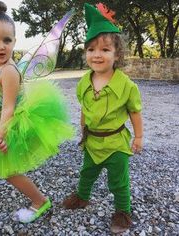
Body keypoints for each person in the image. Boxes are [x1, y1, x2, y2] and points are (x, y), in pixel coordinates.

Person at [0, 0, 73, 223]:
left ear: (14, 41)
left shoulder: (8, 71)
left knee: (7, 168)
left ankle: (40, 201)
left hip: (14, 123)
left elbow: (9, 106)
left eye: (6, 40)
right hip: (0, 120)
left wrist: (0, 134)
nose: (1, 46)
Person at [62, 3, 143, 234]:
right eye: (91, 49)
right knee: (87, 172)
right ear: (86, 52)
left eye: (105, 50)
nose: (97, 54)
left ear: (117, 54)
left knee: (118, 181)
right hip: (92, 141)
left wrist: (138, 136)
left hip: (116, 143)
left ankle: (122, 211)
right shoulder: (83, 83)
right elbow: (84, 109)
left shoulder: (127, 86)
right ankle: (82, 197)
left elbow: (135, 112)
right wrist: (82, 130)